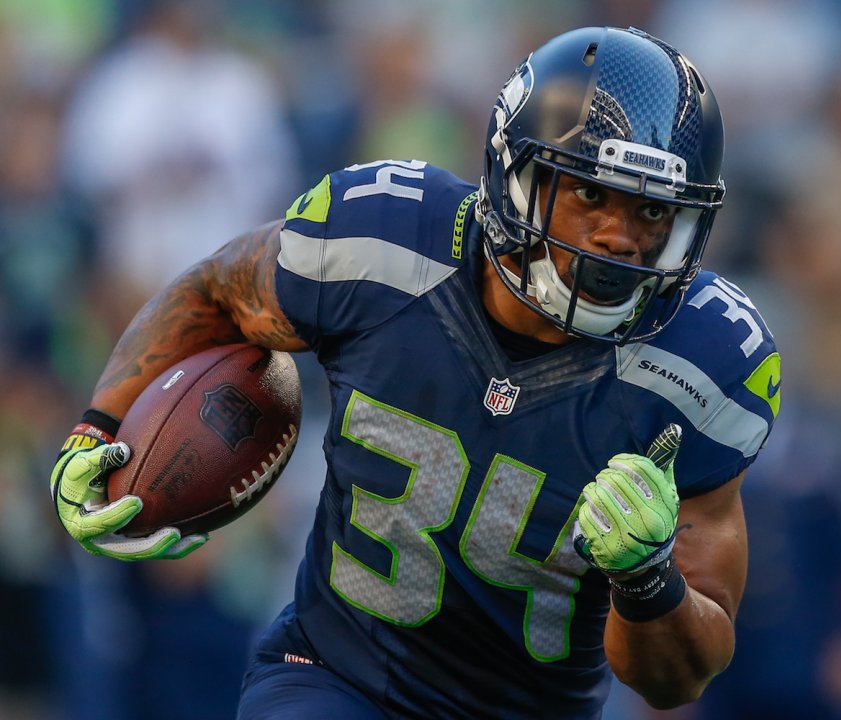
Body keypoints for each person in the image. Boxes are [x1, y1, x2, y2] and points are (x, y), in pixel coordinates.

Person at [48, 27, 780, 718]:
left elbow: (676, 677)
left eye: (652, 211)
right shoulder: (385, 240)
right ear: (516, 175)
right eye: (591, 193)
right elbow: (216, 290)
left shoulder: (701, 362)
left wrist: (648, 578)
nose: (620, 236)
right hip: (334, 677)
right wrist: (99, 427)